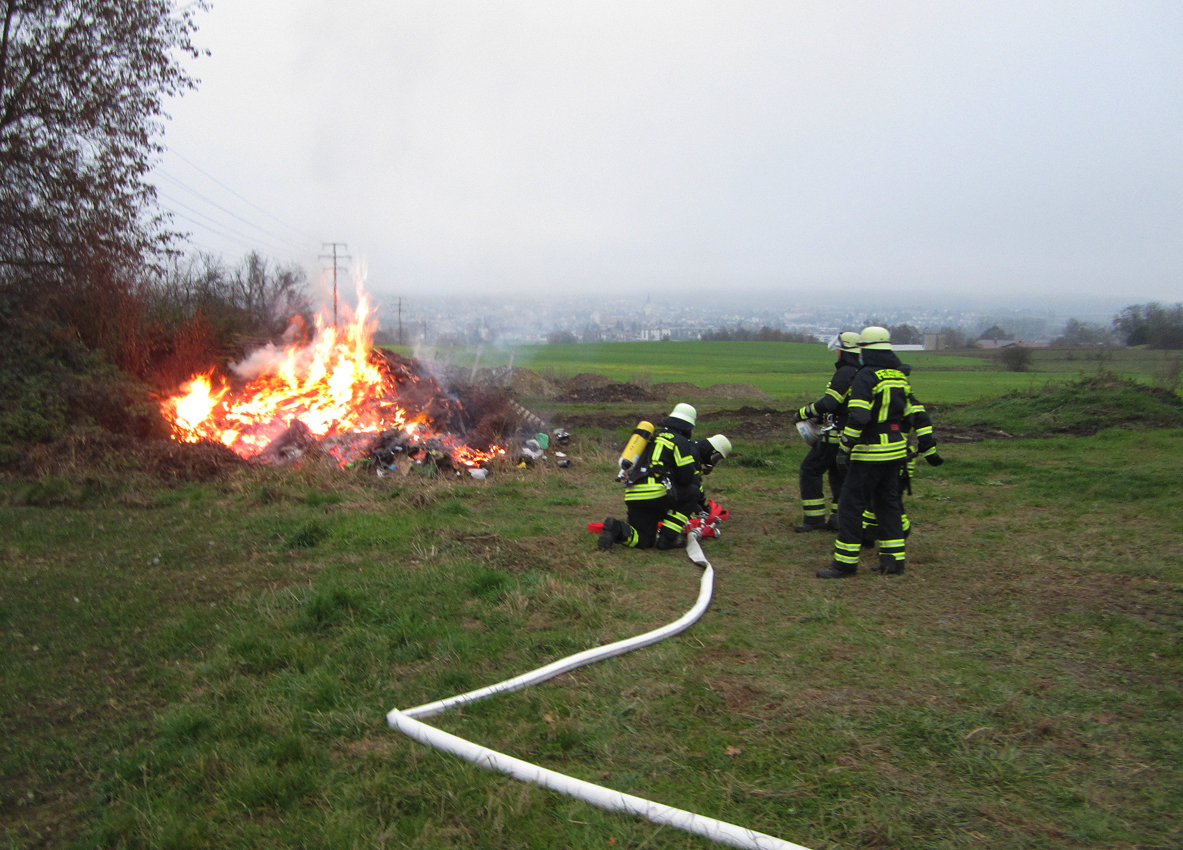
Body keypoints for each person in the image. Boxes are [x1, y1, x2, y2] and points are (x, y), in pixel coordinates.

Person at [817, 327, 942, 578]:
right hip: (896, 451)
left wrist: (844, 447)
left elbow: (860, 416)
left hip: (870, 452)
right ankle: (894, 562)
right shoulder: (897, 376)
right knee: (888, 505)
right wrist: (929, 447)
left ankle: (844, 564)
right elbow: (917, 413)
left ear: (866, 350)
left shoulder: (865, 376)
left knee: (850, 506)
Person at [598, 403, 729, 550]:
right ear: (689, 427)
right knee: (692, 492)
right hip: (656, 493)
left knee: (645, 540)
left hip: (633, 494)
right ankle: (668, 538)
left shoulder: (652, 436)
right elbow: (686, 478)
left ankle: (617, 528)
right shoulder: (680, 442)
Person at [791, 331, 861, 532]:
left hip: (835, 436)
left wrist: (803, 412)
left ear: (844, 351)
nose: (837, 353)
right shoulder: (861, 371)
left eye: (838, 349)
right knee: (839, 476)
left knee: (810, 469)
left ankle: (813, 519)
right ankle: (838, 519)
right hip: (850, 435)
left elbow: (830, 402)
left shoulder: (845, 372)